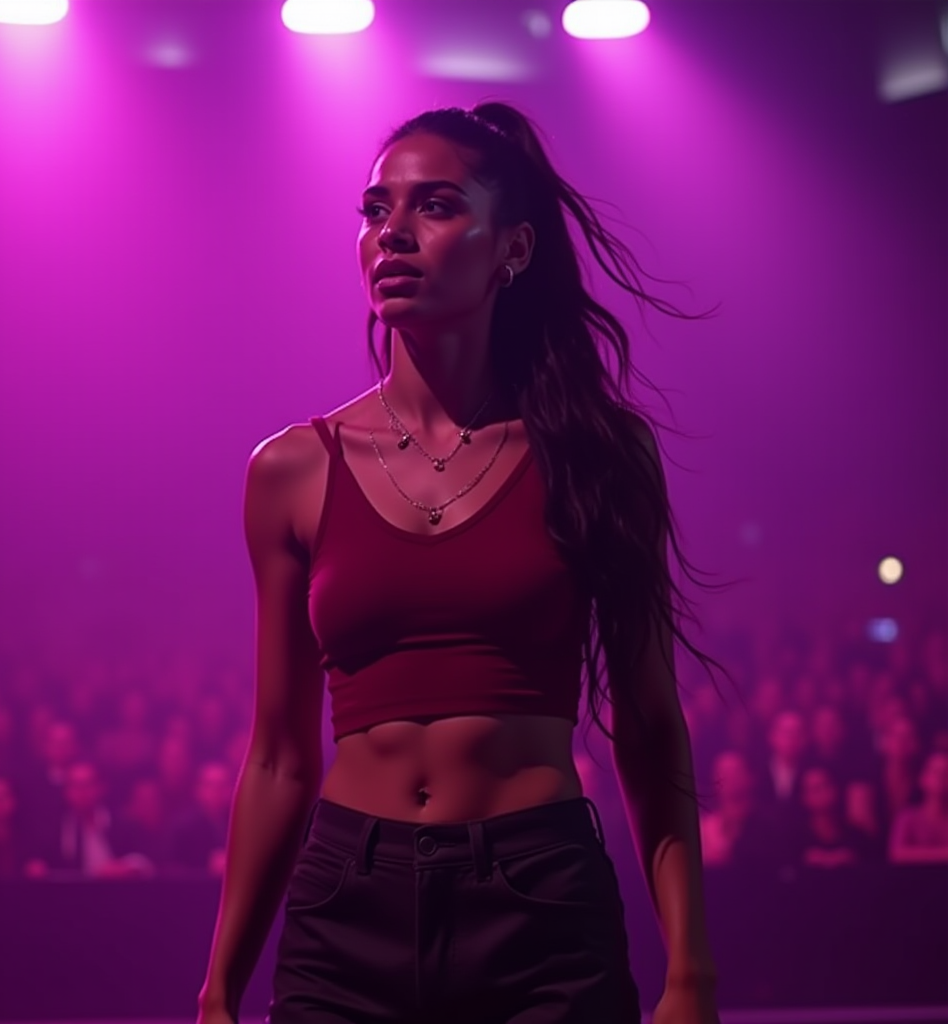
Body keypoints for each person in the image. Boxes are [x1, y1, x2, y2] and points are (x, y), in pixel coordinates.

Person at [197, 103, 723, 1024]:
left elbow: (648, 725)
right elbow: (280, 756)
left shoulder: (597, 454)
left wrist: (691, 971)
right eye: (374, 209)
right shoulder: (290, 470)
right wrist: (219, 990)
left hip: (539, 898)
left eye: (434, 206)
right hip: (344, 904)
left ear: (513, 250)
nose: (391, 232)